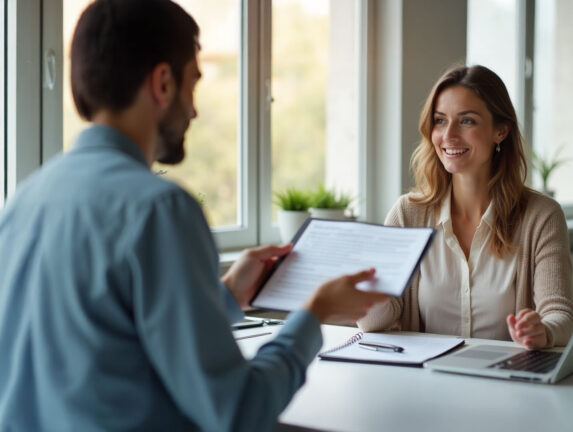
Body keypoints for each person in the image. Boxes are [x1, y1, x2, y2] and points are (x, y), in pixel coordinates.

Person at [0, 0, 388, 430]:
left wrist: (226, 296)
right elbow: (238, 410)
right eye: (193, 85)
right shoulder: (159, 209)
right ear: (163, 83)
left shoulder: (23, 202)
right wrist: (313, 315)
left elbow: (109, 342)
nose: (194, 110)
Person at [358, 65, 573, 349]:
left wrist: (543, 331)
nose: (448, 135)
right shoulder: (407, 214)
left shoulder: (542, 216)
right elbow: (373, 322)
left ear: (500, 131)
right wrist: (363, 284)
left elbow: (561, 314)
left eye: (467, 121)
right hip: (428, 381)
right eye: (440, 120)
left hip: (508, 382)